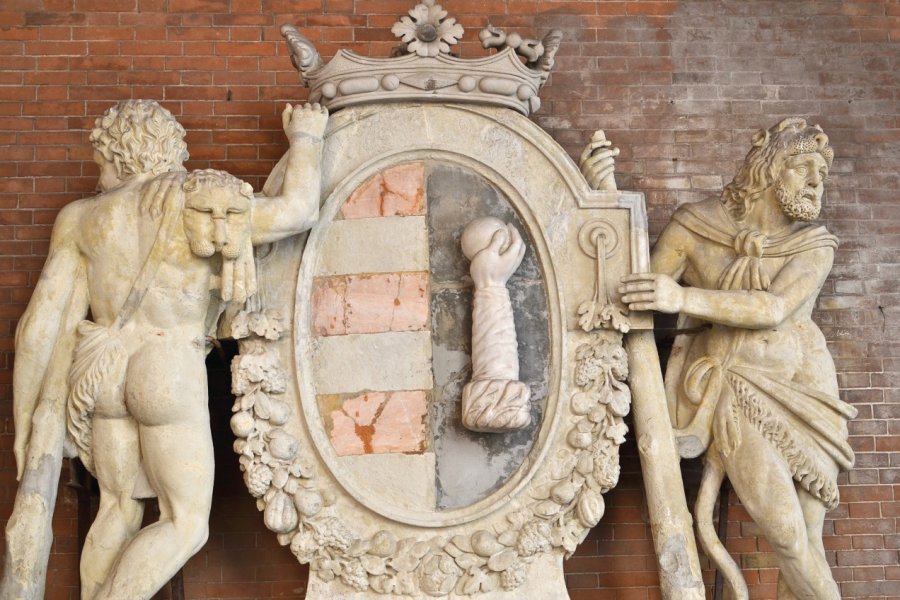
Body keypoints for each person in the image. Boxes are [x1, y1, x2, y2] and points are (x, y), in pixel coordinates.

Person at [3, 99, 328, 600]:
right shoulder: (199, 201)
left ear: (122, 154)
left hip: (102, 370)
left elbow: (37, 329)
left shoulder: (80, 218)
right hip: (165, 367)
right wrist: (306, 139)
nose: (99, 174)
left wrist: (27, 422)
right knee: (186, 522)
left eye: (102, 162)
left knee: (117, 506)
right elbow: (299, 211)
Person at [619, 118, 856, 600]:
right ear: (770, 171)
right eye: (805, 168)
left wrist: (682, 299)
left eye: (822, 173)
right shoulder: (694, 227)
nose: (817, 182)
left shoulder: (815, 245)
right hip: (736, 387)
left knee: (811, 539)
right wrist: (603, 204)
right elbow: (633, 299)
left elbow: (771, 309)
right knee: (787, 536)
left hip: (810, 389)